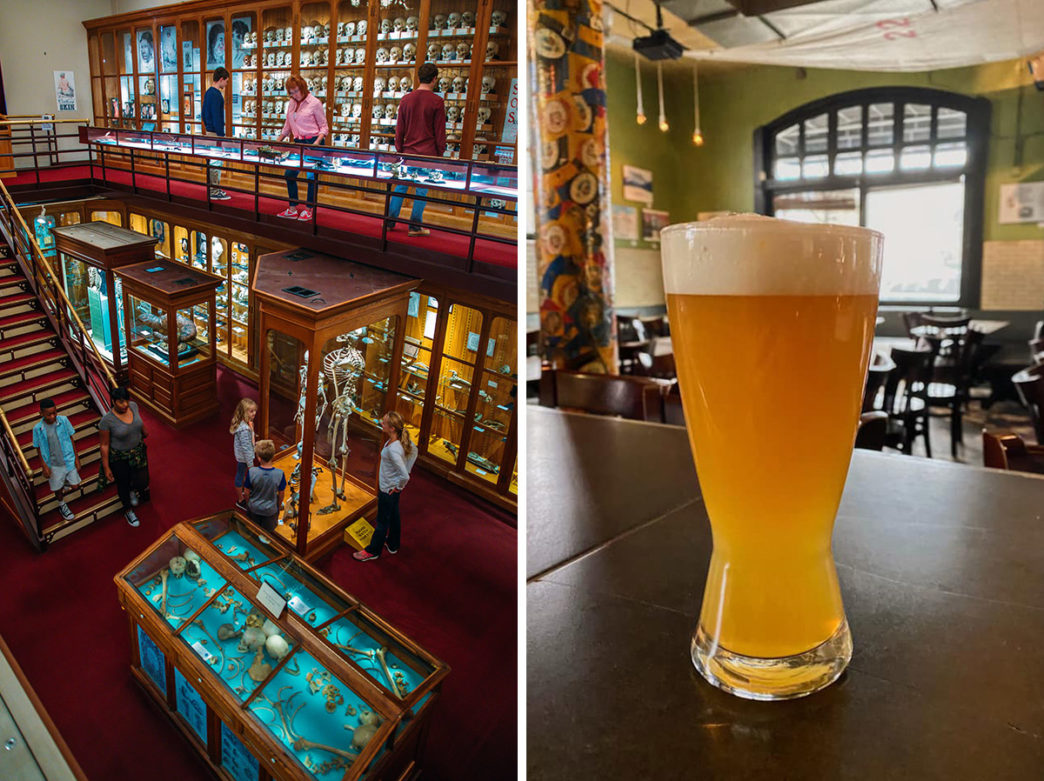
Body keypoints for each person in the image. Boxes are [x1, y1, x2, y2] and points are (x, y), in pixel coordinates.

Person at [388, 62, 447, 238]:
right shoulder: (437, 101)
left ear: (418, 78)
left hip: (407, 152)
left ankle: (390, 221)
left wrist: (400, 149)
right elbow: (439, 132)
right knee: (421, 189)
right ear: (435, 79)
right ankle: (414, 226)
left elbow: (399, 130)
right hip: (428, 154)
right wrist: (440, 154)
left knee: (400, 187)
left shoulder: (406, 99)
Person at [353, 411, 417, 562]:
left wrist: (398, 486)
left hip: (388, 489)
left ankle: (373, 550)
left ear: (392, 428)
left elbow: (405, 475)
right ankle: (393, 544)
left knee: (382, 521)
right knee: (394, 514)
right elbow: (414, 451)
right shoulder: (400, 441)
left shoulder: (393, 450)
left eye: (384, 422)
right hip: (391, 489)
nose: (381, 424)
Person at [276, 75, 328, 221]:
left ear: (303, 88)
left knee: (311, 177)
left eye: (296, 91)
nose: (294, 95)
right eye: (291, 93)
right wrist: (277, 141)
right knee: (289, 174)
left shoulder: (315, 103)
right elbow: (288, 125)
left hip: (313, 142)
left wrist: (316, 144)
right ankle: (292, 208)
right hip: (298, 143)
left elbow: (324, 127)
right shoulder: (292, 103)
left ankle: (309, 208)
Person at [98, 386, 149, 527]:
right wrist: (106, 467)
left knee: (143, 480)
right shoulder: (107, 421)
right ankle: (128, 510)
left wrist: (144, 431)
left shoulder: (133, 406)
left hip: (137, 452)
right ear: (113, 401)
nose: (125, 404)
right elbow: (104, 444)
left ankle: (133, 489)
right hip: (120, 457)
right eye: (121, 402)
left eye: (126, 400)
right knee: (123, 483)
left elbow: (138, 422)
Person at [31, 399, 81, 522]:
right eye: (49, 414)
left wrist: (77, 458)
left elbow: (71, 438)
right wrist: (44, 466)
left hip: (68, 459)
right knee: (57, 489)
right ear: (41, 414)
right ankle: (61, 504)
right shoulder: (37, 429)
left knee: (75, 486)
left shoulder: (63, 421)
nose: (53, 416)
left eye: (55, 412)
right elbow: (38, 448)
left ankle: (64, 482)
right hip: (53, 465)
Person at [201, 67, 231, 201]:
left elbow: (203, 114)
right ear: (221, 79)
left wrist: (208, 127)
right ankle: (214, 190)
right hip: (215, 134)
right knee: (216, 162)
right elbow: (218, 117)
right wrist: (221, 136)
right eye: (226, 81)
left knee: (212, 161)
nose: (226, 84)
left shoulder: (208, 93)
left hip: (209, 131)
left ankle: (213, 188)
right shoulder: (217, 95)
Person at [243, 440, 286, 532]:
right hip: (270, 511)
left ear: (258, 458)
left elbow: (246, 492)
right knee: (268, 534)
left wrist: (249, 504)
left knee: (252, 530)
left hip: (254, 508)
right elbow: (281, 494)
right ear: (273, 455)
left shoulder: (252, 472)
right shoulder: (280, 474)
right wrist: (277, 507)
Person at [230, 397, 257, 508]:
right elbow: (246, 448)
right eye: (251, 411)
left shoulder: (247, 424)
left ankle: (242, 492)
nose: (254, 413)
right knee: (240, 476)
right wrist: (251, 465)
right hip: (245, 458)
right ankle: (241, 500)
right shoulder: (244, 429)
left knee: (242, 473)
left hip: (246, 456)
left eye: (255, 410)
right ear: (244, 412)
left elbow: (251, 441)